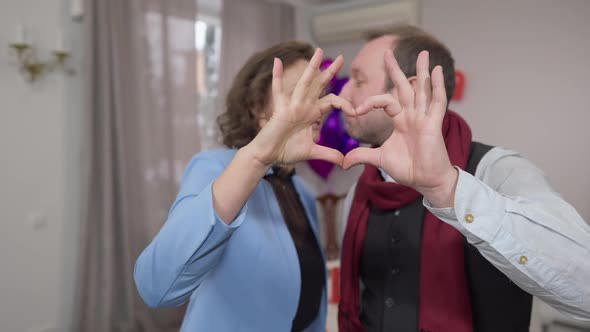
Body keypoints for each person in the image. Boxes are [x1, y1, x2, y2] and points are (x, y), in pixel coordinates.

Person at [337, 25, 590, 332]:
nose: (343, 93)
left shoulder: (498, 170)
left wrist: (449, 188)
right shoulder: (358, 193)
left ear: (413, 89)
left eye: (358, 80)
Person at [134, 41, 355, 331]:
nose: (312, 108)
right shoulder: (214, 168)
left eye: (318, 96)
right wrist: (257, 157)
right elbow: (157, 285)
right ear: (256, 107)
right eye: (296, 94)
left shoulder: (302, 192)